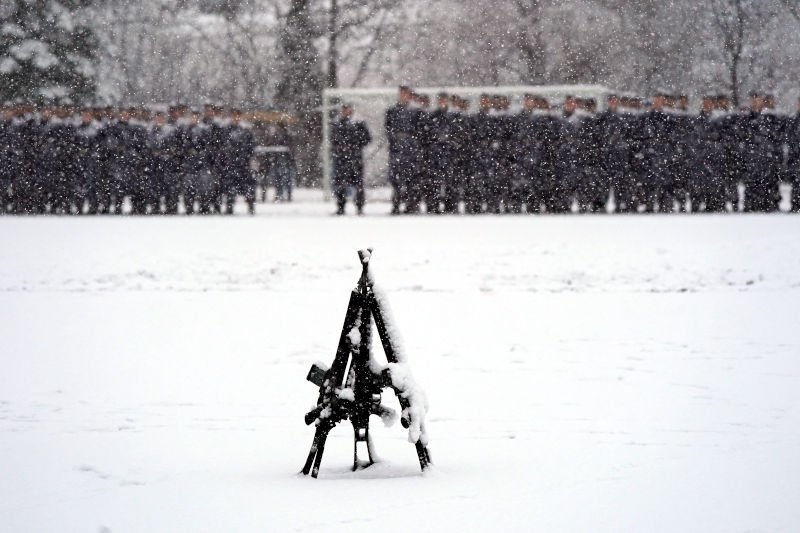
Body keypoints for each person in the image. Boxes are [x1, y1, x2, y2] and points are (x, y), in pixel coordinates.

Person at [331, 104, 371, 215]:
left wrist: (354, 144)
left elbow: (367, 139)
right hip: (341, 159)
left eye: (347, 109)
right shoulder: (337, 123)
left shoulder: (359, 123)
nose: (345, 111)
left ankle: (359, 207)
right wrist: (340, 147)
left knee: (358, 184)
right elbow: (333, 140)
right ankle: (340, 206)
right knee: (340, 183)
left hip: (355, 159)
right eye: (343, 109)